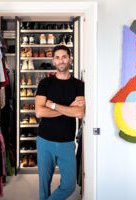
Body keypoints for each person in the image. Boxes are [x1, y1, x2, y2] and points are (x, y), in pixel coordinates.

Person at [35, 45, 85, 200]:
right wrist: (66, 109)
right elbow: (39, 112)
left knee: (69, 185)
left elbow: (78, 113)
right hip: (45, 141)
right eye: (57, 57)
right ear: (53, 61)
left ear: (70, 59)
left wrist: (53, 105)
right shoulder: (45, 83)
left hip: (66, 142)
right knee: (44, 185)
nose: (61, 60)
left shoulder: (79, 85)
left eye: (64, 56)